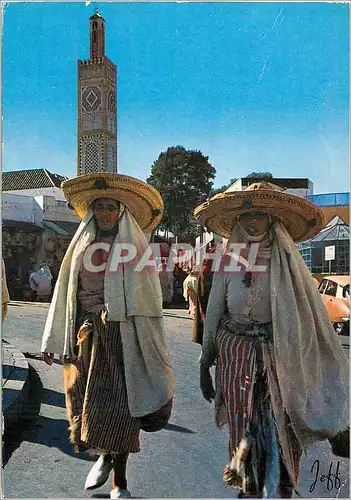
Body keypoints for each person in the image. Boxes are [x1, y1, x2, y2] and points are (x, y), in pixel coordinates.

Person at [194, 182, 349, 498]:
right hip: (236, 356)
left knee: (283, 429)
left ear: (272, 221)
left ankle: (282, 487)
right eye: (248, 215)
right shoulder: (229, 261)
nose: (252, 222)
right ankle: (249, 485)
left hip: (280, 358)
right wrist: (205, 361)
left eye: (261, 216)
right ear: (238, 221)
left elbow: (305, 316)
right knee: (245, 427)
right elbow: (214, 310)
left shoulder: (287, 261)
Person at [40, 173, 175, 499]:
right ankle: (101, 454)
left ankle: (120, 482)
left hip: (122, 337)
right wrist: (52, 339)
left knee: (122, 409)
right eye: (99, 207)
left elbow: (149, 298)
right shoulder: (82, 245)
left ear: (120, 211)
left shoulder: (133, 248)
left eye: (110, 207)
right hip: (85, 336)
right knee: (81, 401)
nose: (104, 213)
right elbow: (65, 292)